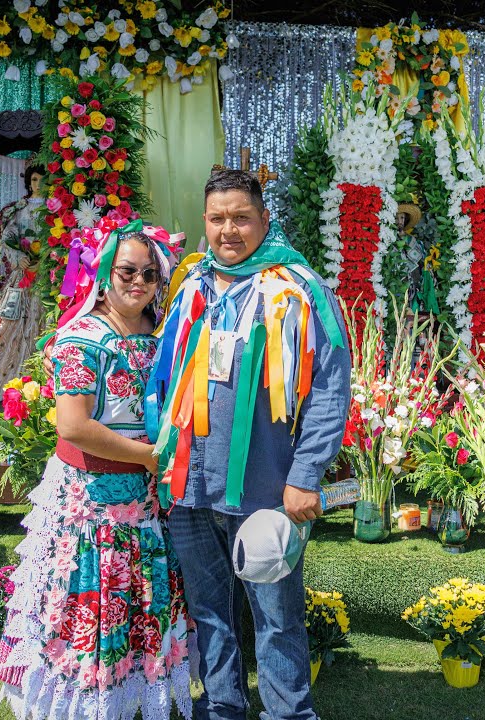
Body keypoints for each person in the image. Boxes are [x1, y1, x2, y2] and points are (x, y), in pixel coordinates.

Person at [149, 170, 350, 720]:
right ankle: (223, 707)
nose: (228, 230)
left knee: (278, 617)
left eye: (241, 217)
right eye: (217, 219)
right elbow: (166, 383)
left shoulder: (302, 292)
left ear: (265, 219)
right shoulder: (191, 288)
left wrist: (306, 474)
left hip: (266, 489)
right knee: (209, 611)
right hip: (191, 488)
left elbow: (331, 393)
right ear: (204, 223)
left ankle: (288, 713)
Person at [0, 222, 193, 719]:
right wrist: (150, 457)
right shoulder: (81, 337)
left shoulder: (161, 332)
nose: (138, 281)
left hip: (144, 504)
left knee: (139, 595)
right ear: (104, 272)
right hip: (90, 506)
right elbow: (73, 425)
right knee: (87, 600)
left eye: (150, 273)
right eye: (127, 270)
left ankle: (131, 702)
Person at [0, 162, 48, 403]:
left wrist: (46, 259)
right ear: (29, 182)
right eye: (36, 179)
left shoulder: (55, 211)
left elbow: (59, 240)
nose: (39, 184)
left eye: (43, 180)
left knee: (43, 320)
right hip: (22, 273)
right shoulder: (19, 209)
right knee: (8, 321)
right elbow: (7, 239)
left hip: (45, 276)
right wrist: (20, 258)